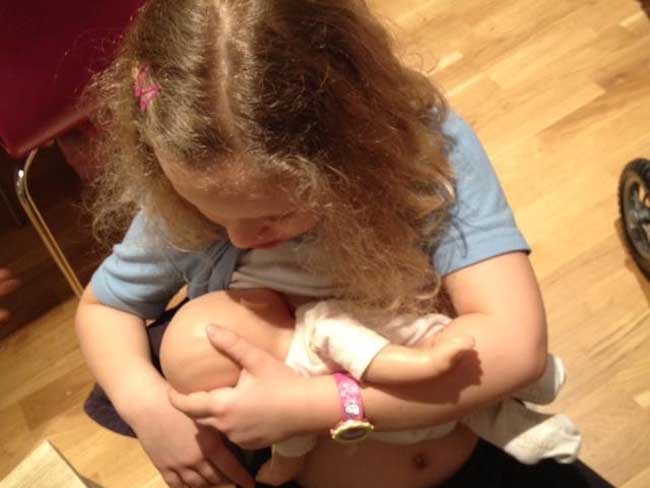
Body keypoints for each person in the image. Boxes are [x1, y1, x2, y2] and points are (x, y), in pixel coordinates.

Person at [75, 1, 612, 487]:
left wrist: (317, 406)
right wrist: (146, 406)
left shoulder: (425, 156)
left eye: (277, 213)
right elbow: (104, 308)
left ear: (355, 146)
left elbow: (515, 349)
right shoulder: (187, 194)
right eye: (209, 211)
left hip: (478, 458)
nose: (237, 236)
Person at [159, 289, 579, 486]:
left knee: (488, 404)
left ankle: (536, 396)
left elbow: (373, 357)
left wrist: (426, 363)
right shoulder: (278, 414)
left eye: (233, 377)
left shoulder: (319, 327)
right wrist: (151, 408)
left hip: (463, 420)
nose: (243, 397)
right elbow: (292, 452)